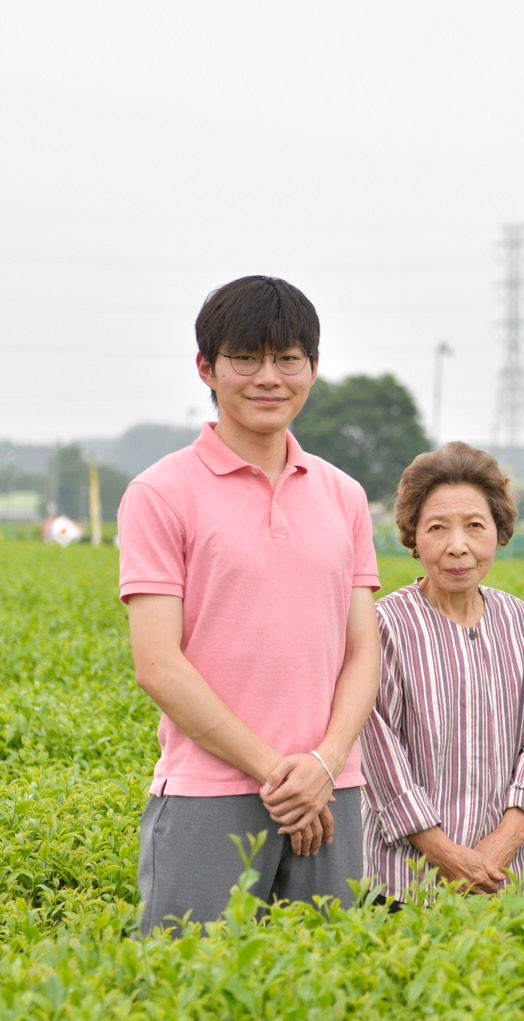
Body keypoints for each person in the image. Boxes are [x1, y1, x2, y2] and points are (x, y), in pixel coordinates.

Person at [117, 275, 380, 934]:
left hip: (334, 790)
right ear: (207, 367)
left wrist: (322, 764)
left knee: (330, 996)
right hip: (212, 791)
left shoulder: (343, 494)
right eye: (246, 358)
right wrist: (280, 774)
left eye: (288, 358)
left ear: (312, 370)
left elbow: (363, 649)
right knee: (188, 999)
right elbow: (158, 664)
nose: (269, 377)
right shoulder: (160, 493)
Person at [361, 442, 524, 903]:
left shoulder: (518, 619)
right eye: (437, 528)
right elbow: (375, 746)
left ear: (499, 531)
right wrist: (445, 854)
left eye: (475, 526)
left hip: (503, 875)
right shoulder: (385, 624)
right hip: (404, 882)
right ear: (413, 535)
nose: (458, 547)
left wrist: (506, 840)